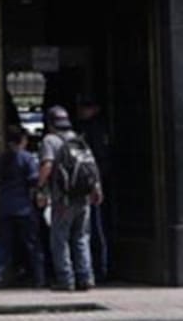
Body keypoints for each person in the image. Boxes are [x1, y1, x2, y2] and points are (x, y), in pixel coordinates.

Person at [37, 106, 103, 292]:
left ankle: (66, 280)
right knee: (81, 237)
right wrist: (97, 189)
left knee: (60, 238)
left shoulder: (50, 140)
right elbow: (91, 166)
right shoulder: (78, 139)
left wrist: (40, 188)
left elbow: (47, 166)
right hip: (83, 197)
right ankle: (86, 277)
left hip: (62, 198)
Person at [0, 126, 45, 289]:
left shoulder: (0, 159)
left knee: (3, 243)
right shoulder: (27, 158)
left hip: (5, 206)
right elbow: (34, 180)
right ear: (23, 141)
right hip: (24, 207)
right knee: (32, 243)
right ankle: (39, 277)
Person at [74, 94, 111, 282]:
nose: (81, 111)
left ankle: (100, 268)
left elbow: (95, 160)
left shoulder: (94, 130)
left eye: (85, 107)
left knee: (95, 228)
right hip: (90, 184)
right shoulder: (86, 128)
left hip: (92, 185)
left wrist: (95, 184)